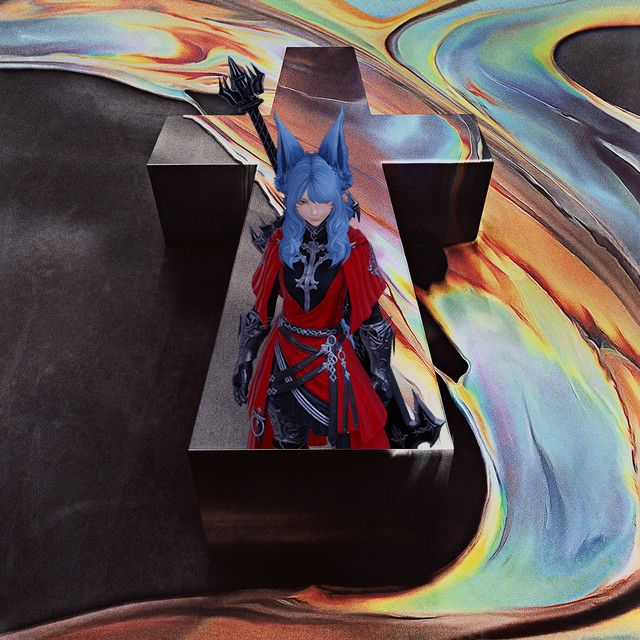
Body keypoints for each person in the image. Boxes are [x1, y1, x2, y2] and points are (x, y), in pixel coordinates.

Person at [232, 109, 393, 449]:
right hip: (285, 356)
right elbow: (262, 311)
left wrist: (381, 369)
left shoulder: (354, 247)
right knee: (287, 445)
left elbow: (372, 317)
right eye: (304, 202)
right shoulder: (279, 244)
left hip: (332, 360)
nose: (315, 211)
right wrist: (245, 358)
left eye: (322, 201)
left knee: (350, 443)